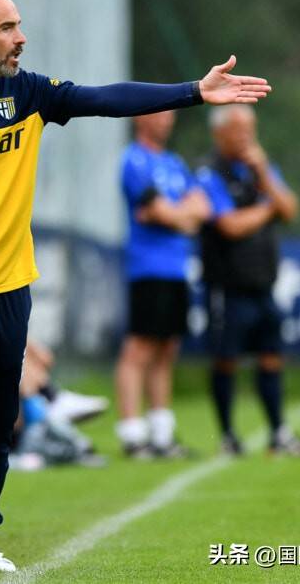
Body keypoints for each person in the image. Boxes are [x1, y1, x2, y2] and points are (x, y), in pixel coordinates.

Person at [0, 0, 271, 574]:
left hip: (7, 286)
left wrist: (193, 91)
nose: (20, 38)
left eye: (19, 25)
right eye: (7, 28)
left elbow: (106, 98)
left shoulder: (28, 93)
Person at [197, 104, 300, 456]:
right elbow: (230, 226)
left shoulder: (261, 168)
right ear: (220, 133)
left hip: (264, 283)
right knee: (226, 360)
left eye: (251, 128)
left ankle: (278, 433)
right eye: (239, 129)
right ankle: (228, 435)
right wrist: (267, 208)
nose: (247, 136)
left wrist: (264, 175)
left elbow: (289, 209)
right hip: (227, 285)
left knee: (271, 356)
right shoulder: (209, 172)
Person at [114, 111, 210, 459]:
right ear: (141, 118)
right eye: (160, 114)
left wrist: (174, 215)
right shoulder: (134, 160)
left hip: (176, 268)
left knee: (167, 348)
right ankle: (132, 434)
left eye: (170, 115)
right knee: (139, 348)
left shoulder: (174, 163)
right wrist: (178, 215)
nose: (168, 121)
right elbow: (158, 210)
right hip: (148, 267)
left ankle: (161, 434)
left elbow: (202, 209)